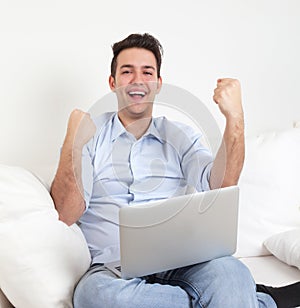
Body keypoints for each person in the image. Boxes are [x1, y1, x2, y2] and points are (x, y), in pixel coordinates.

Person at [50, 33, 300, 308]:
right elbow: (66, 212)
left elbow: (221, 187)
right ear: (113, 83)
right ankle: (258, 302)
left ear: (158, 84)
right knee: (94, 296)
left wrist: (235, 119)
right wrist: (72, 141)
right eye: (127, 71)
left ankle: (236, 295)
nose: (137, 80)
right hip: (114, 269)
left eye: (147, 72)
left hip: (181, 263)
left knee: (232, 273)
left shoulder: (180, 135)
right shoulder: (91, 136)